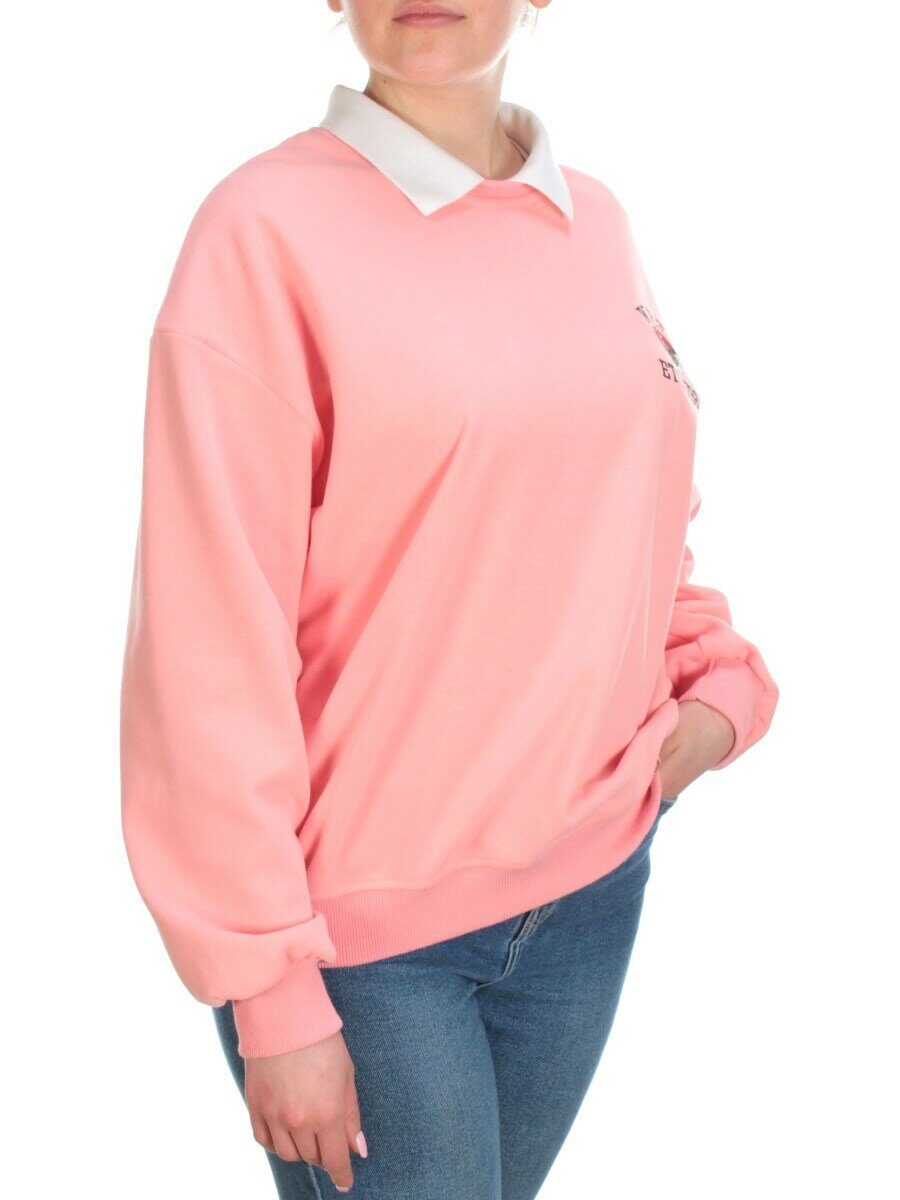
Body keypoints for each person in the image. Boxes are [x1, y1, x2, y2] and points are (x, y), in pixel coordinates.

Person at [120, 2, 779, 1196]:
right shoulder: (262, 231)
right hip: (365, 948)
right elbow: (208, 634)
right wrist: (271, 988)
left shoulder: (593, 222)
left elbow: (620, 517)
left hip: (590, 891)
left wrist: (715, 690)